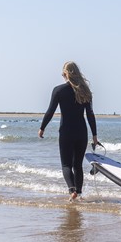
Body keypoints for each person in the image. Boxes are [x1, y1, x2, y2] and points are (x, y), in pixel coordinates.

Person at [38, 61, 99, 201]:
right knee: (77, 165)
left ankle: (72, 191)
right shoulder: (85, 91)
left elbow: (50, 111)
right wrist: (94, 135)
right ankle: (79, 193)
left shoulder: (58, 90)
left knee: (66, 165)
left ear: (65, 74)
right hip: (81, 132)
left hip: (66, 131)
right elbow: (90, 115)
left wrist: (42, 128)